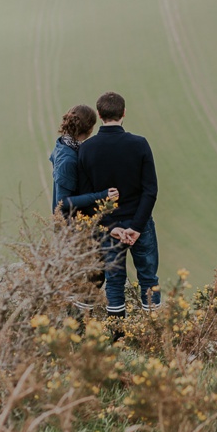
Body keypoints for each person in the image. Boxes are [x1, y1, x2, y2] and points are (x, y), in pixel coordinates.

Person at [76, 91, 160, 317]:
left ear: (100, 116)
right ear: (124, 113)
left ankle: (118, 334)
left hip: (107, 226)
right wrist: (136, 227)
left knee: (114, 281)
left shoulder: (86, 149)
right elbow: (150, 190)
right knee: (149, 278)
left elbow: (87, 197)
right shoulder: (140, 145)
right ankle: (153, 328)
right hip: (139, 222)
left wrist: (112, 227)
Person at [50, 104, 118, 217]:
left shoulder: (63, 144)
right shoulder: (68, 159)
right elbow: (62, 203)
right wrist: (101, 195)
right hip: (69, 228)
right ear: (90, 129)